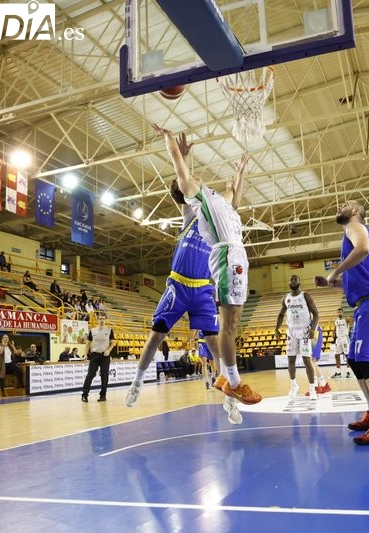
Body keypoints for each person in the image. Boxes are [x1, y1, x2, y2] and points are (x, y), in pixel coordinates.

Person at [125, 131, 242, 423]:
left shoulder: (216, 213)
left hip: (203, 289)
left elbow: (231, 202)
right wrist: (184, 155)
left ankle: (230, 399)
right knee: (156, 336)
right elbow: (183, 180)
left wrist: (237, 183)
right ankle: (137, 382)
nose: (198, 182)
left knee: (216, 346)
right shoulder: (191, 214)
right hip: (178, 284)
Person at [152, 124, 261, 406]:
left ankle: (226, 377)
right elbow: (179, 170)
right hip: (226, 255)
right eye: (189, 176)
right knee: (230, 322)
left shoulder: (214, 198)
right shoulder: (196, 197)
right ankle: (233, 381)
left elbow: (234, 201)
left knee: (233, 320)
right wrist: (171, 142)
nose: (193, 175)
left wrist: (240, 175)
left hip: (237, 254)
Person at [315, 200, 369, 445]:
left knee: (365, 360)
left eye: (345, 204)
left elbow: (362, 249)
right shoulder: (350, 235)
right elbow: (359, 276)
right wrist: (333, 282)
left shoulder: (355, 227)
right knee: (353, 359)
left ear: (354, 212)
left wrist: (335, 272)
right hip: (366, 301)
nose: (339, 205)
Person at [275, 274, 320, 399]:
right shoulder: (286, 298)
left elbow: (316, 313)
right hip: (291, 331)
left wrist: (313, 328)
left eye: (295, 279)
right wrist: (276, 329)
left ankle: (312, 389)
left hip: (304, 331)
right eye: (291, 279)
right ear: (289, 282)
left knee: (307, 360)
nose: (293, 281)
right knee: (291, 360)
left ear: (299, 282)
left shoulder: (305, 296)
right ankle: (293, 385)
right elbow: (280, 315)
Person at [81, 313, 116, 402]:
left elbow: (113, 342)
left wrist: (108, 350)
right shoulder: (92, 331)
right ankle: (84, 395)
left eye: (103, 319)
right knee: (90, 375)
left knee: (104, 376)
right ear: (97, 320)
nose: (101, 320)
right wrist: (85, 354)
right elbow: (88, 343)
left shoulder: (109, 330)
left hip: (105, 356)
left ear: (105, 320)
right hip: (94, 355)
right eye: (100, 319)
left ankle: (103, 395)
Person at [332, 308, 351, 378]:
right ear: (337, 313)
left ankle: (348, 371)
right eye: (338, 312)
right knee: (336, 355)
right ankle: (338, 372)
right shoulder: (336, 321)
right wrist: (333, 333)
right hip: (338, 338)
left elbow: (351, 321)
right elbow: (335, 327)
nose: (339, 313)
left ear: (342, 313)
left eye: (340, 312)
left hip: (344, 338)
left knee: (347, 355)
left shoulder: (346, 319)